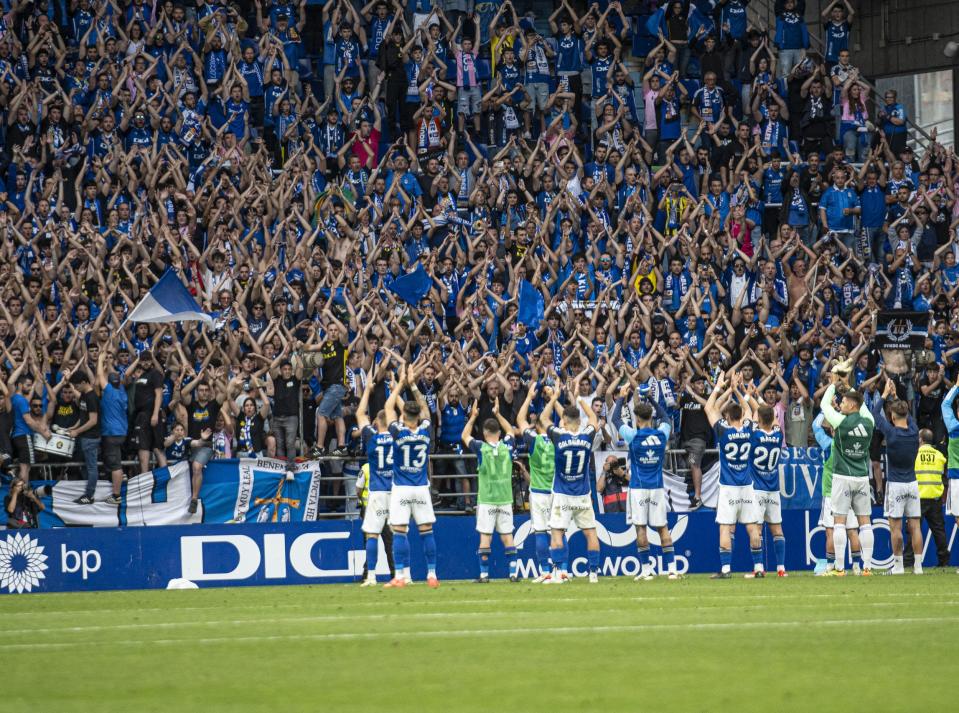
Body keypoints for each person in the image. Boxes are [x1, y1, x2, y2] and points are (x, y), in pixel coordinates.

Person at [610, 384, 679, 580]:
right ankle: (672, 569)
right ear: (651, 417)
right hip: (657, 487)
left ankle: (647, 570)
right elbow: (666, 418)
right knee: (662, 527)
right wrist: (652, 399)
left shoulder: (633, 436)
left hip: (638, 488)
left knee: (641, 528)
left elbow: (615, 419)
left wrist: (622, 397)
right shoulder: (662, 433)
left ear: (637, 419)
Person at [703, 371, 765, 579]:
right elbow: (749, 409)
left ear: (728, 417)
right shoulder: (748, 429)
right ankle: (758, 569)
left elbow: (708, 408)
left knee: (725, 528)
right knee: (752, 527)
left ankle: (726, 570)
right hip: (747, 486)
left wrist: (722, 387)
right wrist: (738, 391)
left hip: (729, 487)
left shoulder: (723, 431)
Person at [541, 373, 600, 584]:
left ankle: (558, 572)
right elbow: (594, 420)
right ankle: (593, 573)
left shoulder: (559, 435)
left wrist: (554, 397)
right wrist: (581, 400)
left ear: (564, 421)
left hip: (563, 494)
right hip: (583, 493)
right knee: (590, 533)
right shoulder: (587, 436)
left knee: (557, 532)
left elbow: (543, 419)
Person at [384, 364, 439, 589]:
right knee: (426, 530)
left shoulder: (398, 431)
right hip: (421, 487)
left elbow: (388, 406)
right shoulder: (425, 430)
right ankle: (432, 574)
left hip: (401, 487)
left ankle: (399, 575)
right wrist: (413, 384)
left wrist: (397, 387)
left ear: (404, 415)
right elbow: (425, 410)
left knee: (399, 530)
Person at [820, 372, 876, 576]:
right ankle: (867, 568)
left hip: (842, 477)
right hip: (862, 477)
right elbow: (865, 408)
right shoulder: (869, 422)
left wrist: (834, 385)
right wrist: (849, 386)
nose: (841, 404)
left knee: (839, 523)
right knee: (865, 523)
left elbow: (825, 405)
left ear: (852, 405)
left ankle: (840, 568)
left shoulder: (840, 422)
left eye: (844, 401)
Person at [462, 399, 518, 582]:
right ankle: (513, 573)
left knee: (485, 537)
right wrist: (498, 412)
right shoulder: (507, 446)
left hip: (487, 500)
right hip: (505, 499)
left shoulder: (480, 448)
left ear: (485, 434)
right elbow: (510, 430)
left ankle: (484, 574)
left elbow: (464, 436)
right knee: (507, 536)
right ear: (499, 433)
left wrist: (473, 417)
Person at [355, 372, 394, 587]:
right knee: (396, 536)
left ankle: (371, 577)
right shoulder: (399, 434)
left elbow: (360, 413)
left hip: (377, 493)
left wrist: (368, 389)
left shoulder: (371, 435)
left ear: (377, 422)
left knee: (372, 534)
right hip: (396, 492)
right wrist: (396, 388)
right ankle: (401, 575)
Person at [813, 412, 863, 575]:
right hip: (850, 492)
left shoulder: (829, 444)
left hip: (832, 494)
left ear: (834, 431)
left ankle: (830, 566)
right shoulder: (853, 446)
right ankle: (856, 567)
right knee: (852, 530)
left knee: (831, 530)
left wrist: (825, 410)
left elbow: (815, 425)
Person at [517, 385, 556, 582]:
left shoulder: (534, 440)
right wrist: (554, 398)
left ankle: (544, 571)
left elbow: (520, 420)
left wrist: (529, 398)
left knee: (540, 530)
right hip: (556, 492)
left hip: (539, 492)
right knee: (558, 531)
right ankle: (561, 570)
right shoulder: (559, 438)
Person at [749, 401, 788, 576]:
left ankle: (758, 568)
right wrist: (758, 399)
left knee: (756, 529)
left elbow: (752, 419)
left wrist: (748, 395)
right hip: (773, 488)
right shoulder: (779, 435)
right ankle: (781, 569)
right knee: (777, 529)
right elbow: (775, 422)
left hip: (757, 489)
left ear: (758, 420)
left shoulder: (754, 435)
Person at [908, 429, 950, 569]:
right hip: (935, 498)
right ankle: (944, 561)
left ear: (920, 439)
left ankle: (908, 561)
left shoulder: (915, 455)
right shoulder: (940, 455)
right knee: (939, 530)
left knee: (913, 530)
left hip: (918, 498)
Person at [69, 371, 102, 505]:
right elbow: (83, 416)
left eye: (76, 386)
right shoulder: (83, 395)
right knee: (87, 466)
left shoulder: (92, 397)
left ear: (84, 382)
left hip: (91, 437)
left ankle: (89, 495)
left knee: (92, 468)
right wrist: (74, 427)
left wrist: (77, 431)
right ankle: (87, 492)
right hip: (85, 436)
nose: (75, 389)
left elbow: (93, 420)